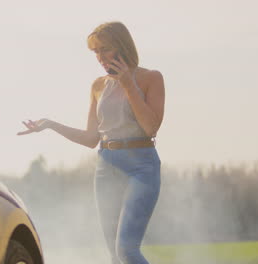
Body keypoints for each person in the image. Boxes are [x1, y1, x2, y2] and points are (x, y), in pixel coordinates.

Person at [17, 21, 165, 264]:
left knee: (127, 251)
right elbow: (90, 138)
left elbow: (151, 127)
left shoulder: (151, 78)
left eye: (104, 49)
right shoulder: (98, 86)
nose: (99, 57)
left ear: (122, 45)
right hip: (106, 167)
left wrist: (128, 84)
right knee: (114, 256)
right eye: (96, 51)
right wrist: (51, 124)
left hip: (141, 167)